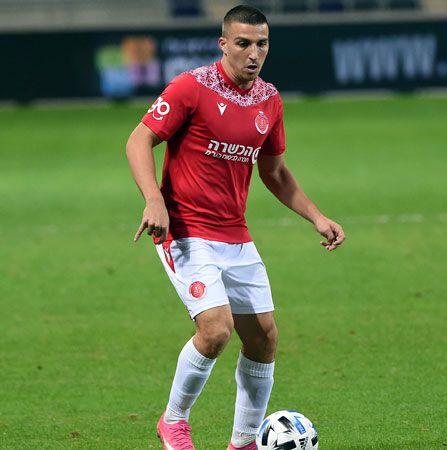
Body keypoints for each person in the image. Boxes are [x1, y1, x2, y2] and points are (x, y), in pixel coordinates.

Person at [126, 5, 345, 450]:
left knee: (263, 338)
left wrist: (317, 216)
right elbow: (139, 139)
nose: (253, 53)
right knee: (216, 329)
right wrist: (153, 199)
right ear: (223, 44)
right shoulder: (191, 87)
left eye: (262, 44)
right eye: (243, 43)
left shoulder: (269, 99)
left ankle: (244, 441)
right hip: (185, 229)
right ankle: (174, 421)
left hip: (234, 234)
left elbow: (275, 172)